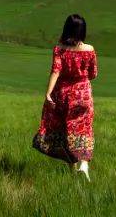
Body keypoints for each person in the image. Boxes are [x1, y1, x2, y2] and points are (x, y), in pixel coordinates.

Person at [32, 13, 98, 180]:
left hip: (63, 95)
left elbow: (55, 71)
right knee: (84, 130)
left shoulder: (59, 49)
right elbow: (93, 74)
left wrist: (48, 93)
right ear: (83, 31)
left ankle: (72, 171)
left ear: (66, 29)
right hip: (83, 95)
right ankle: (84, 164)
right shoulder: (89, 50)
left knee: (66, 131)